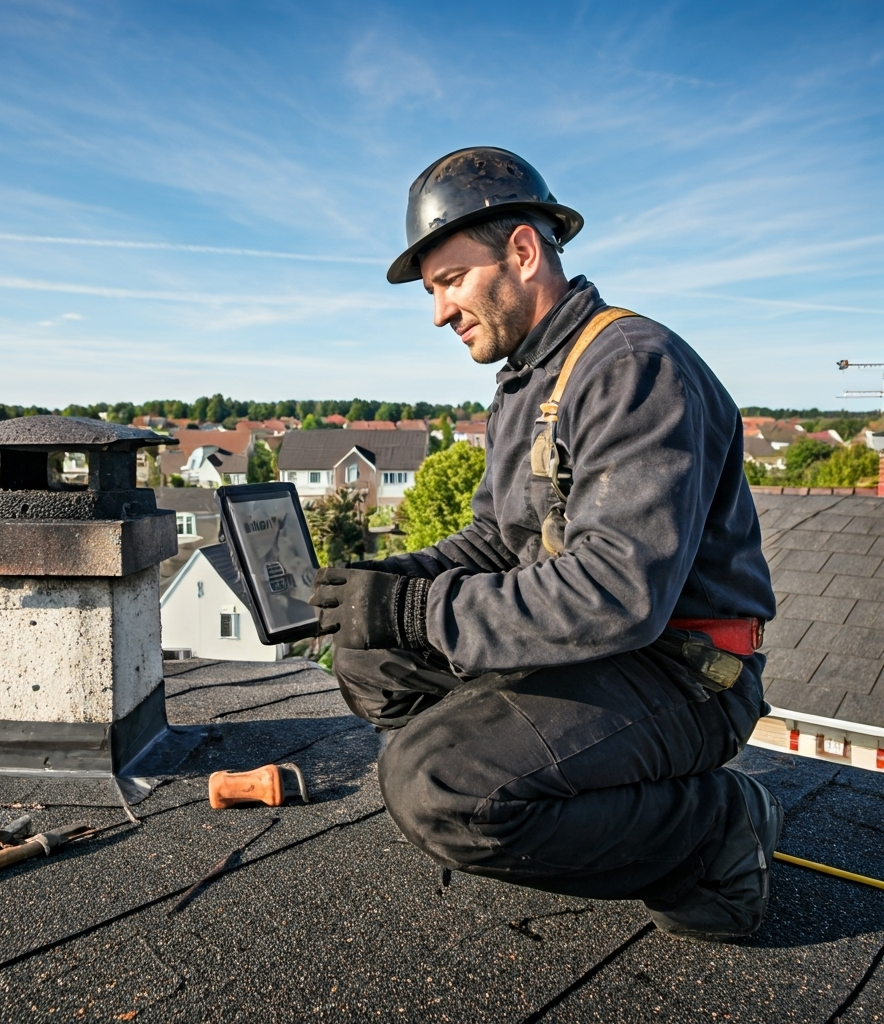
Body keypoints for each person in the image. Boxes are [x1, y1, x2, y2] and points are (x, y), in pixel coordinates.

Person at [309, 147, 782, 942]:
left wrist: (418, 609)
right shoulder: (529, 382)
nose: (439, 313)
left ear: (523, 252)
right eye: (431, 292)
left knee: (435, 786)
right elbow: (498, 540)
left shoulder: (633, 369)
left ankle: (712, 827)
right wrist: (382, 588)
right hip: (600, 649)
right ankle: (542, 773)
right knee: (367, 655)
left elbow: (618, 592)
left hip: (684, 670)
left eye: (451, 280)